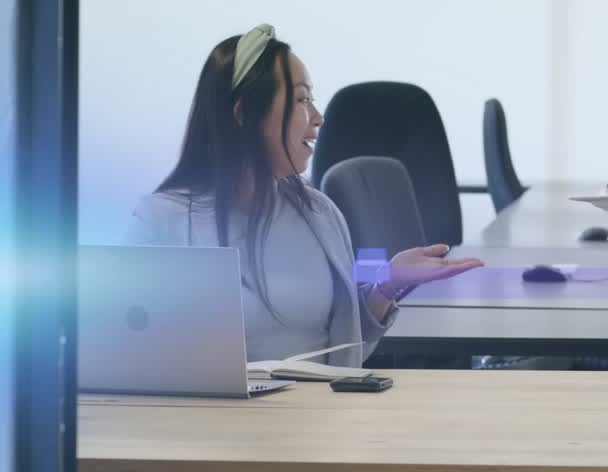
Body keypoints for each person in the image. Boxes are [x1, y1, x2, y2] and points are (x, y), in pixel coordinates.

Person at [125, 24, 483, 367]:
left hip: (321, 408)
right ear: (244, 112)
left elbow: (347, 349)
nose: (318, 117)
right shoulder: (161, 222)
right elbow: (131, 355)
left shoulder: (319, 214)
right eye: (301, 100)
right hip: (211, 412)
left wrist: (387, 286)